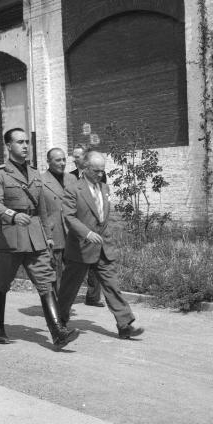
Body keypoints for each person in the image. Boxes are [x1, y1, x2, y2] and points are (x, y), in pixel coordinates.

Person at [0, 128, 79, 350]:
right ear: (9, 146)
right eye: (20, 142)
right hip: (10, 237)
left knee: (46, 282)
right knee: (1, 283)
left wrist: (47, 236)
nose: (26, 146)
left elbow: (43, 209)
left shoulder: (36, 173)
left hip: (36, 235)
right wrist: (13, 215)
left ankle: (58, 332)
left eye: (27, 141)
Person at [58, 150, 144, 339]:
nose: (100, 174)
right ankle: (59, 322)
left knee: (112, 285)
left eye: (102, 171)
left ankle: (125, 325)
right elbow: (69, 217)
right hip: (80, 248)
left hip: (104, 248)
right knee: (68, 289)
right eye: (96, 171)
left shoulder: (104, 188)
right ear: (86, 168)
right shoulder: (73, 189)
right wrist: (87, 233)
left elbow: (102, 217)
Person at [70, 143, 105, 308]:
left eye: (79, 155)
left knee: (95, 264)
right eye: (74, 156)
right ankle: (66, 299)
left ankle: (93, 296)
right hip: (77, 228)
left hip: (94, 226)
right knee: (75, 267)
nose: (76, 159)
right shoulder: (70, 177)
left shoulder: (98, 176)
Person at [41, 147, 76, 294]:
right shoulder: (41, 181)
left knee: (73, 270)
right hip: (54, 232)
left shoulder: (72, 179)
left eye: (64, 160)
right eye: (58, 160)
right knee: (55, 269)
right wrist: (46, 234)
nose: (62, 163)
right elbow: (41, 211)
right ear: (48, 161)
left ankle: (65, 300)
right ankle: (57, 303)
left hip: (72, 231)